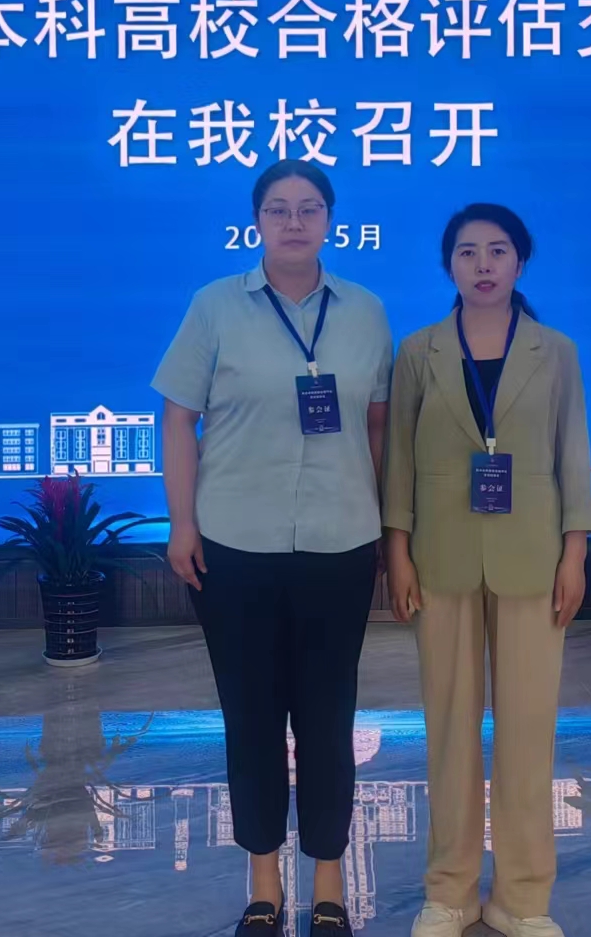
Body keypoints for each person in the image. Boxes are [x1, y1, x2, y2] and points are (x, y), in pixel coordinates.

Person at [154, 159, 393, 937]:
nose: (294, 221)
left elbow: (378, 426)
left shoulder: (365, 312)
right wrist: (181, 522)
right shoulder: (213, 306)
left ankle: (328, 881)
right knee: (251, 717)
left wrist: (389, 530)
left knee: (328, 717)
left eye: (309, 207)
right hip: (234, 545)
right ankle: (263, 883)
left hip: (339, 541)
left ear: (330, 220)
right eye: (279, 208)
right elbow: (177, 416)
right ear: (255, 220)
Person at [383, 204, 591, 937]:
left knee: (528, 731)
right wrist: (396, 551)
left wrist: (575, 551)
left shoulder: (555, 351)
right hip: (440, 559)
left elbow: (572, 454)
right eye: (467, 251)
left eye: (497, 250)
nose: (482, 264)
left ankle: (523, 897)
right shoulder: (418, 352)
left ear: (519, 262)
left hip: (533, 558)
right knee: (448, 729)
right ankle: (449, 891)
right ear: (448, 264)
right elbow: (398, 460)